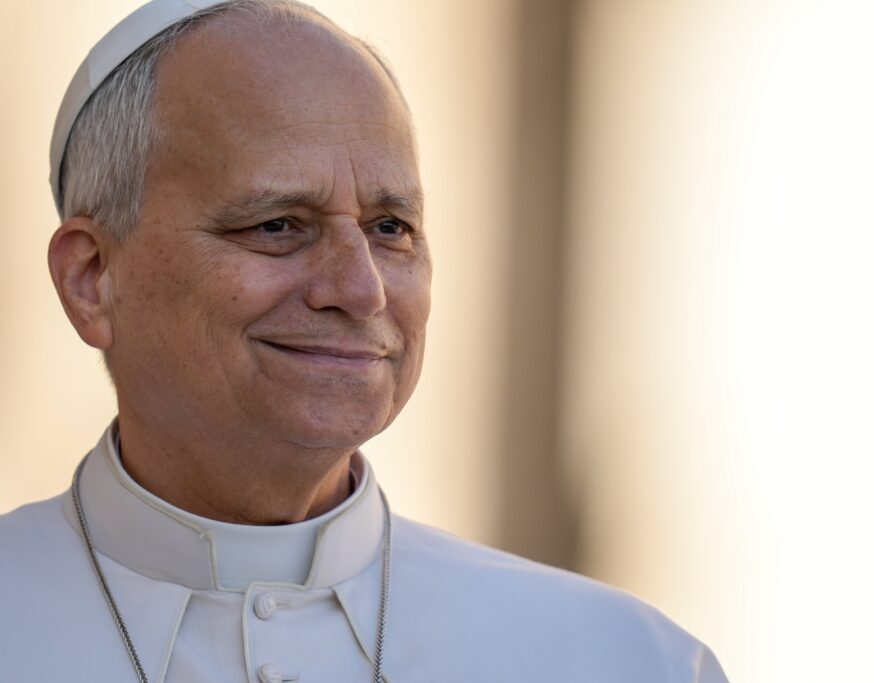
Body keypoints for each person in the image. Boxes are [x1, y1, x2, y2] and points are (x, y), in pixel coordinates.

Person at [0, 1, 729, 681]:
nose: (360, 289)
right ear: (94, 278)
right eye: (277, 224)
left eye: (390, 228)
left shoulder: (621, 661)